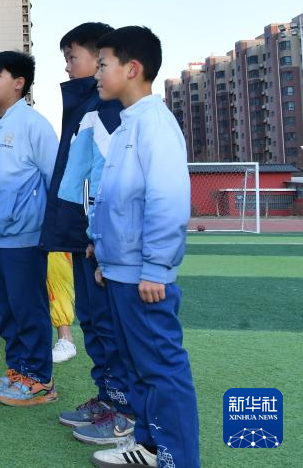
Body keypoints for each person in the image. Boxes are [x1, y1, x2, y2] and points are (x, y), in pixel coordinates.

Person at [87, 26, 198, 468]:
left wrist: (155, 267)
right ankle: (151, 446)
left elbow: (167, 201)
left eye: (103, 65)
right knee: (137, 366)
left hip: (144, 276)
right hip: (121, 270)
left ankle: (178, 459)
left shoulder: (155, 123)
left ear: (132, 69)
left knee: (161, 370)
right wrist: (102, 252)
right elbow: (113, 199)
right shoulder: (127, 124)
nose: (97, 74)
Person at [38, 22, 136, 445]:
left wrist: (101, 236)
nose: (67, 66)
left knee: (109, 324)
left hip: (100, 240)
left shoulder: (108, 109)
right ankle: (107, 397)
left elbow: (109, 179)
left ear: (100, 59)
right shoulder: (84, 106)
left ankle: (125, 411)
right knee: (93, 322)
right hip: (82, 235)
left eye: (71, 57)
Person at [0, 51, 60, 407]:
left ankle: (39, 379)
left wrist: (52, 230)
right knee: (3, 309)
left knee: (27, 309)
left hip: (23, 237)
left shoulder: (34, 124)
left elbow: (55, 179)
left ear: (19, 83)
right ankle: (18, 371)